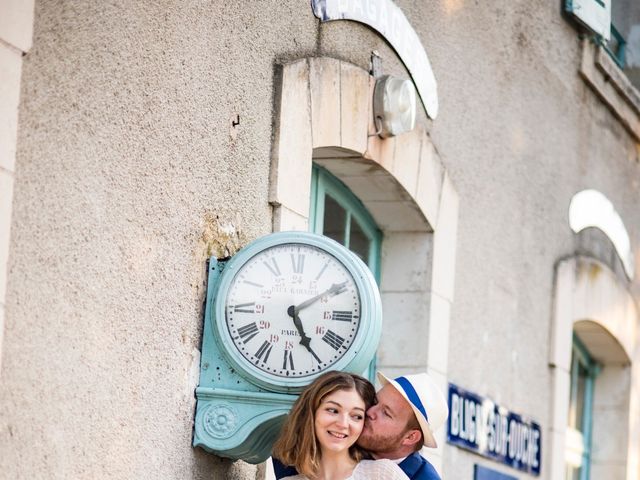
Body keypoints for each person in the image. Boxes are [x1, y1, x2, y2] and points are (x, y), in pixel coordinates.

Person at [274, 371, 448, 480]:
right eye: (375, 402)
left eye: (386, 413)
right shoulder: (310, 449)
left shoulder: (418, 477)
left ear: (411, 437)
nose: (370, 412)